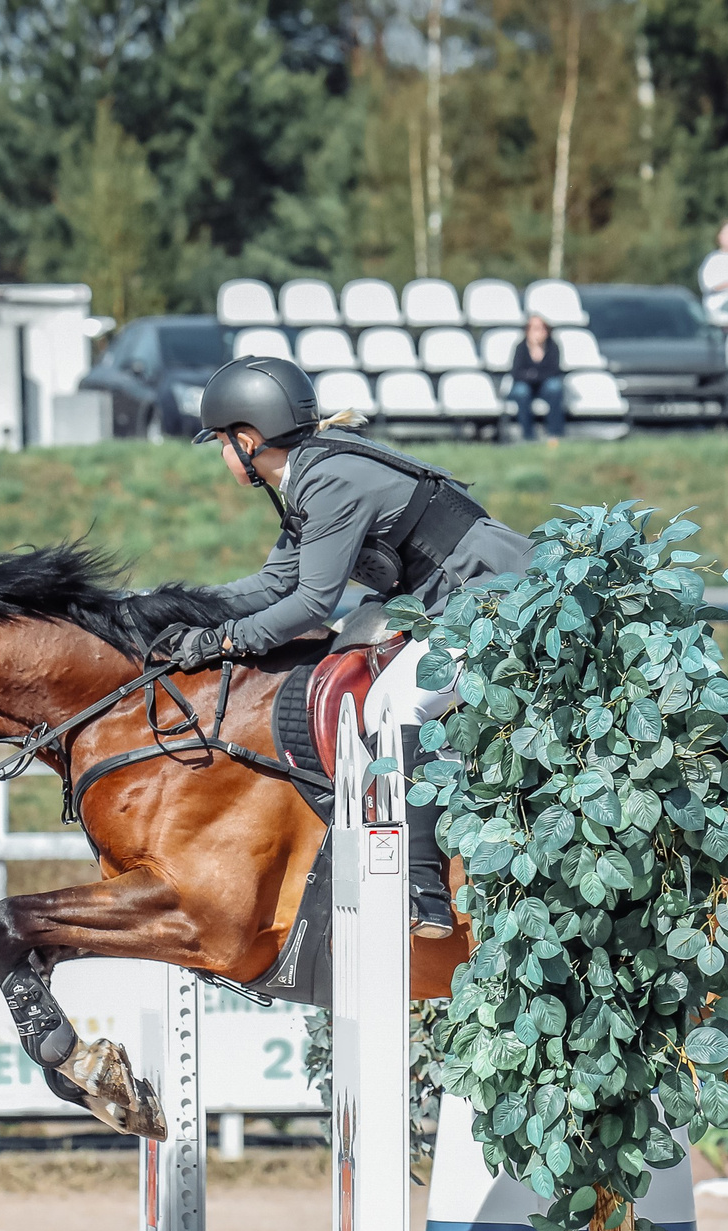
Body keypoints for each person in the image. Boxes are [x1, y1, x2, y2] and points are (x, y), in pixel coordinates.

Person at [174, 355, 537, 935]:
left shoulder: (328, 479)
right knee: (375, 676)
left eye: (219, 441)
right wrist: (175, 606)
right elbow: (273, 584)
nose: (220, 455)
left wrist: (221, 640)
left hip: (502, 602)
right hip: (449, 602)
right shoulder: (309, 475)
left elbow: (312, 604)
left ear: (247, 440)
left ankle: (423, 889)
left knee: (398, 700)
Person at [505, 314, 565, 444]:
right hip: (525, 386)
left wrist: (532, 374)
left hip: (544, 387)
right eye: (536, 328)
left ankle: (555, 435)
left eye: (543, 328)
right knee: (521, 392)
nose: (540, 332)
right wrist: (537, 374)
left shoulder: (552, 347)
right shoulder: (521, 348)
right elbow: (516, 373)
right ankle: (528, 436)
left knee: (555, 387)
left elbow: (554, 371)